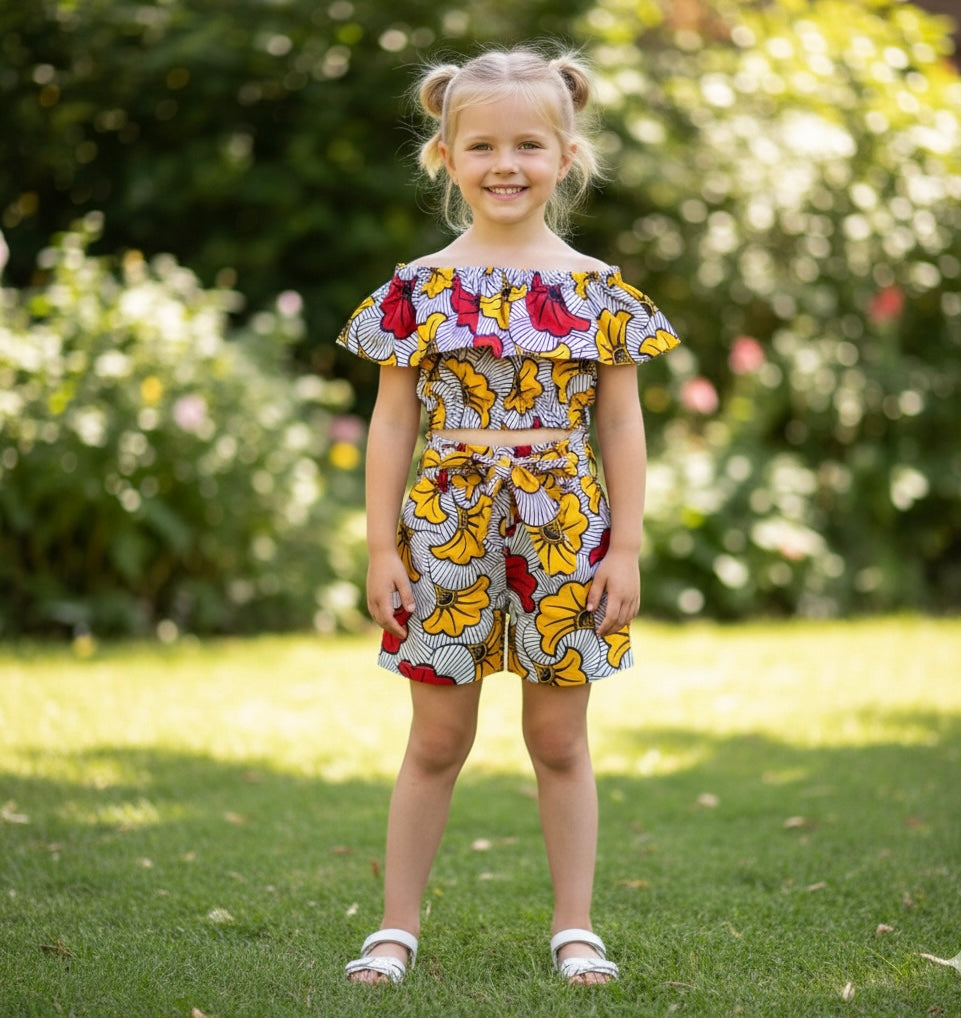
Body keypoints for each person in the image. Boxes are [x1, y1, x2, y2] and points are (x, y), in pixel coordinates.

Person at [336, 44, 680, 987]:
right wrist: (379, 546)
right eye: (481, 145)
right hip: (446, 532)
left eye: (528, 145)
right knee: (437, 738)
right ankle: (396, 928)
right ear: (445, 157)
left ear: (564, 157)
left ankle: (576, 928)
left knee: (558, 740)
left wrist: (626, 550)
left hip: (566, 531)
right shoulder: (418, 290)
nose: (505, 165)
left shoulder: (600, 293)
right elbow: (391, 419)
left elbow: (620, 421)